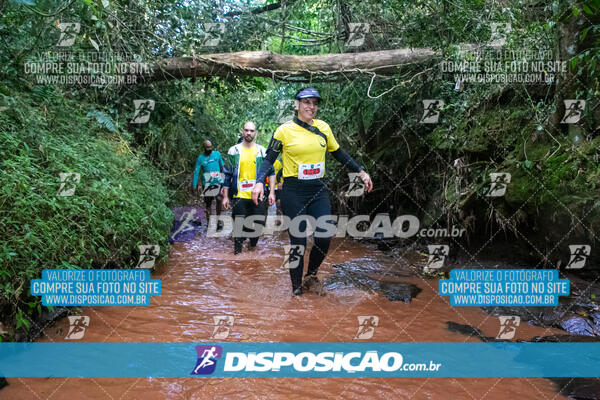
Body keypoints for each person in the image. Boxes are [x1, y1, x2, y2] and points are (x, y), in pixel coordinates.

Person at [252, 88, 373, 296]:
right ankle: (296, 290)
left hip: (318, 189)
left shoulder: (323, 128)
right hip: (293, 191)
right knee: (298, 240)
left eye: (315, 103)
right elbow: (269, 159)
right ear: (296, 104)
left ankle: (311, 276)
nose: (311, 106)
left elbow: (339, 153)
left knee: (325, 236)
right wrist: (258, 182)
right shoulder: (283, 131)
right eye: (306, 102)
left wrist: (360, 170)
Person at [222, 121, 276, 254]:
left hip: (259, 195)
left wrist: (272, 193)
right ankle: (237, 254)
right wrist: (225, 197)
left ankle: (252, 248)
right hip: (239, 195)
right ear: (242, 131)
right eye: (246, 130)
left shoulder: (262, 152)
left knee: (257, 225)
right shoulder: (234, 150)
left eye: (251, 131)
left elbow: (272, 172)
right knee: (239, 226)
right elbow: (227, 173)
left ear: (255, 133)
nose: (249, 133)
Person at [192, 140, 225, 226]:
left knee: (219, 200)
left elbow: (222, 166)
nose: (209, 149)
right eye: (207, 147)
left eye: (210, 147)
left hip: (217, 182)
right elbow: (196, 172)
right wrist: (194, 185)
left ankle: (218, 221)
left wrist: (224, 179)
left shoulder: (217, 154)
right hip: (207, 184)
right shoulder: (200, 158)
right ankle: (209, 222)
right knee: (208, 204)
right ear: (204, 148)